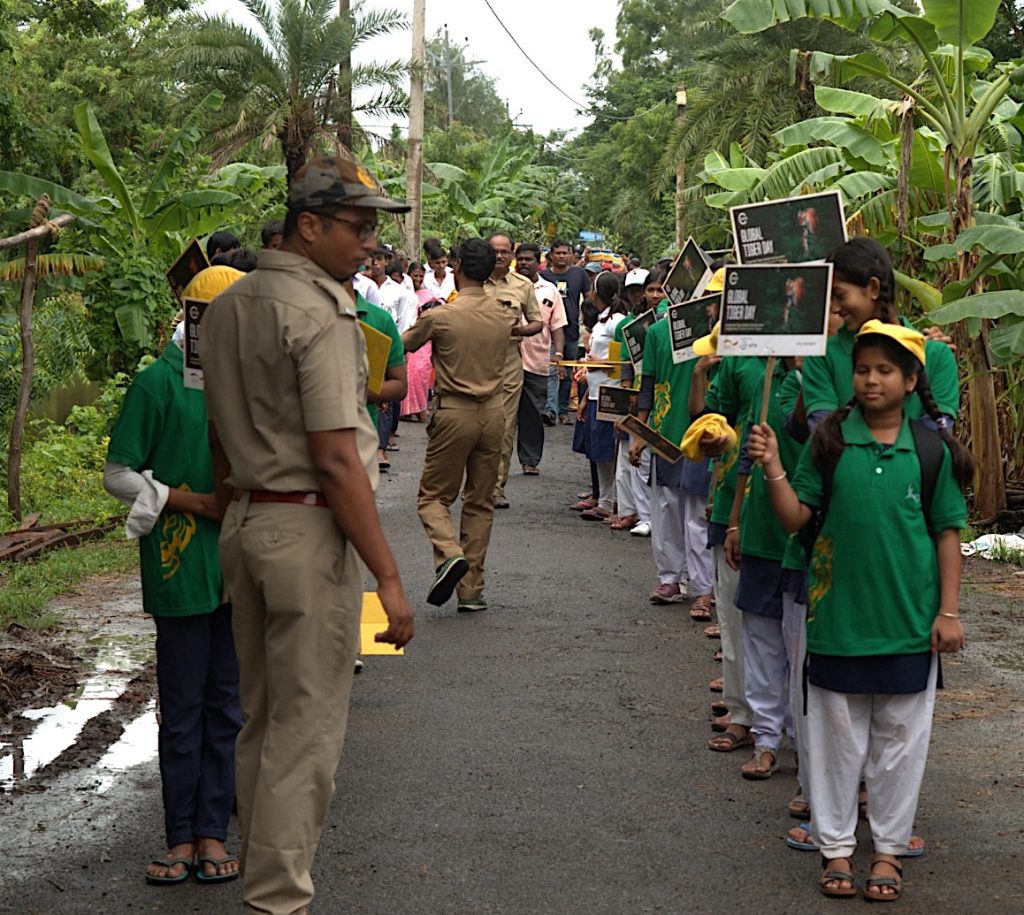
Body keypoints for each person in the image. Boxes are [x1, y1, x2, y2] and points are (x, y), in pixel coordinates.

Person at [199, 155, 415, 915]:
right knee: (306, 732)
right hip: (305, 530)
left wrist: (233, 505)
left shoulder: (228, 306)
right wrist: (389, 577)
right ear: (310, 226)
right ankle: (277, 898)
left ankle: (263, 885)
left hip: (246, 523)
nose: (369, 244)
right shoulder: (322, 311)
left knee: (262, 722)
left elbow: (217, 432)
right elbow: (335, 456)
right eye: (358, 228)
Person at [749, 321, 970, 902]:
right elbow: (796, 518)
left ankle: (889, 851)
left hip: (909, 626)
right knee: (833, 746)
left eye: (886, 370)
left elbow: (947, 533)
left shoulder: (931, 451)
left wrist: (948, 612)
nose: (872, 379)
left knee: (901, 747)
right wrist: (772, 465)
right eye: (864, 369)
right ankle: (837, 850)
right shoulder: (830, 442)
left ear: (911, 380)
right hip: (835, 622)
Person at [103, 265, 243, 887]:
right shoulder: (157, 382)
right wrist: (190, 502)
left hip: (240, 564)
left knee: (227, 705)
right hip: (181, 560)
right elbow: (119, 473)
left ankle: (214, 830)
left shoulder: (251, 384)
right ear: (192, 319)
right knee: (184, 704)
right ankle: (180, 836)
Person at [402, 238, 517, 613]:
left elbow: (403, 344)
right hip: (494, 414)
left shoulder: (440, 316)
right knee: (480, 502)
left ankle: (450, 553)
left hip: (454, 412)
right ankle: (471, 591)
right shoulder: (504, 315)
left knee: (433, 497)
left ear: (458, 267)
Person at [486, 233, 543, 509]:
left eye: (504, 252)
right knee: (472, 426)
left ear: (512, 254)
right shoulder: (470, 280)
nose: (499, 256)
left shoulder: (523, 285)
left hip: (509, 362)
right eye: (494, 251)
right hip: (474, 361)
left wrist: (518, 330)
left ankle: (496, 488)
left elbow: (537, 322)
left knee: (504, 427)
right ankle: (474, 486)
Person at [577, 272, 628, 520]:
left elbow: (624, 360)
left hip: (611, 391)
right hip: (597, 391)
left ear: (597, 292)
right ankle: (605, 499)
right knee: (599, 450)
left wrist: (598, 362)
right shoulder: (601, 321)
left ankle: (612, 501)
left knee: (610, 450)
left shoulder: (617, 322)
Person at [514, 242, 567, 475]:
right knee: (502, 414)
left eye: (529, 259)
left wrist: (558, 355)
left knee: (532, 414)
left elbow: (557, 325)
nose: (524, 263)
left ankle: (530, 460)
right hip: (507, 361)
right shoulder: (507, 287)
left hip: (537, 362)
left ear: (539, 262)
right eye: (520, 259)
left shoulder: (550, 291)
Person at [542, 239, 592, 425]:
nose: (562, 256)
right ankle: (550, 410)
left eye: (565, 253)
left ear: (571, 255)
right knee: (551, 370)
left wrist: (590, 326)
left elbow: (588, 301)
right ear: (551, 256)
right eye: (558, 253)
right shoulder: (543, 276)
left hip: (571, 331)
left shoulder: (579, 275)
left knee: (568, 373)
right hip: (548, 332)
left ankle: (563, 410)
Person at [401, 261, 439, 422]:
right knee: (408, 373)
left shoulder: (429, 295)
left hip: (424, 340)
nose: (418, 279)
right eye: (414, 276)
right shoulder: (403, 293)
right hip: (408, 335)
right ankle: (407, 410)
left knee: (422, 373)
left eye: (420, 276)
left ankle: (420, 408)